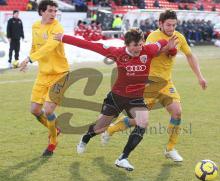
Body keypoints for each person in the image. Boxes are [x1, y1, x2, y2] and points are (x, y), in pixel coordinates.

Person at [54, 28, 177, 171]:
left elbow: (163, 43)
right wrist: (63, 37)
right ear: (127, 44)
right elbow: (89, 44)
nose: (138, 48)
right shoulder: (117, 52)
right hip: (117, 97)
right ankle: (86, 137)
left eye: (140, 44)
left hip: (136, 99)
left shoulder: (148, 50)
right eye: (135, 45)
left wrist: (171, 47)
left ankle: (123, 158)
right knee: (100, 128)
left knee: (143, 123)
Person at [102, 10, 207, 162]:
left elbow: (190, 56)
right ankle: (111, 129)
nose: (171, 28)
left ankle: (170, 149)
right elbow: (147, 55)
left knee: (177, 112)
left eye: (174, 25)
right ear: (160, 24)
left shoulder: (179, 37)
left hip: (166, 83)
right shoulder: (153, 37)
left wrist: (200, 77)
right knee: (136, 121)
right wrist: (167, 48)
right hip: (148, 83)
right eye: (168, 25)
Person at [19, 0, 69, 157]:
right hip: (43, 73)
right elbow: (35, 46)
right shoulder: (35, 26)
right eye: (50, 11)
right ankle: (54, 128)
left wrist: (30, 59)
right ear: (41, 11)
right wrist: (28, 58)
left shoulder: (57, 28)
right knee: (34, 110)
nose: (54, 14)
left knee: (48, 110)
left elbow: (49, 47)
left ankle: (53, 141)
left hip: (60, 74)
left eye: (55, 11)